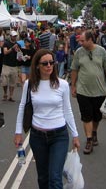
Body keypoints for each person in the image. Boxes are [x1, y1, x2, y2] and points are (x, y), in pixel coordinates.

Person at [14, 49, 80, 189]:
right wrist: (18, 132)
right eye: (45, 63)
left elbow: (67, 110)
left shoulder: (62, 84)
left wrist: (75, 135)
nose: (49, 66)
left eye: (52, 62)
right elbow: (22, 108)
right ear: (37, 65)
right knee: (43, 177)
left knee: (55, 177)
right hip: (37, 137)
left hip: (59, 136)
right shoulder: (29, 84)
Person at [71, 30, 106, 155]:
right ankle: (89, 140)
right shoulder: (79, 53)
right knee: (86, 116)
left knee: (96, 117)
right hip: (83, 90)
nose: (80, 43)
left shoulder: (101, 51)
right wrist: (73, 86)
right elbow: (74, 69)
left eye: (82, 41)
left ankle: (94, 132)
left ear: (90, 40)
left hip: (99, 91)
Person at [2, 30, 21, 101]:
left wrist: (19, 53)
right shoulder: (6, 43)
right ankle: (5, 93)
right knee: (4, 81)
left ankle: (11, 95)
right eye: (13, 36)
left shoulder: (18, 44)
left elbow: (19, 55)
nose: (15, 37)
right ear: (10, 36)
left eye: (15, 36)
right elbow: (5, 52)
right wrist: (12, 48)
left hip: (14, 64)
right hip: (6, 64)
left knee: (13, 81)